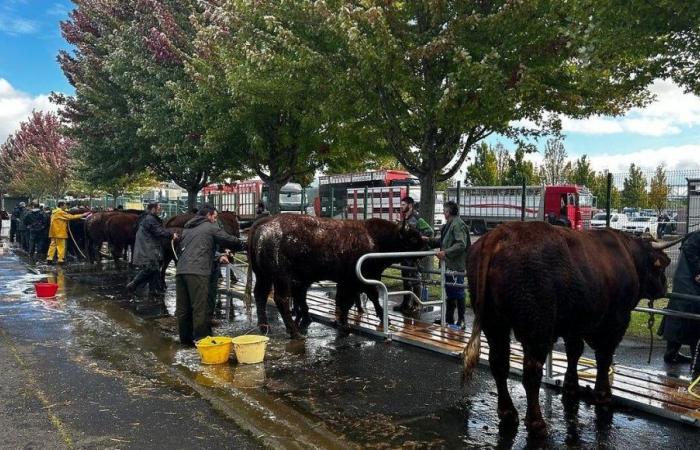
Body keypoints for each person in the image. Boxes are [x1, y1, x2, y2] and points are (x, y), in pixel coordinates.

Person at [175, 205, 243, 345]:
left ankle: (185, 340)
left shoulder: (187, 229)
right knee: (200, 307)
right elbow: (228, 239)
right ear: (209, 216)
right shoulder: (209, 227)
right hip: (198, 272)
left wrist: (217, 256)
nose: (215, 220)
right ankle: (202, 341)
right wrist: (245, 245)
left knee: (184, 308)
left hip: (181, 271)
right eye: (215, 217)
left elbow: (197, 249)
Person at [658, 229, 700, 376]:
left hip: (684, 280)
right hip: (689, 281)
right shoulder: (697, 237)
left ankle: (672, 354)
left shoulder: (695, 235)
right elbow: (689, 249)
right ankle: (696, 363)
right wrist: (698, 272)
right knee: (693, 316)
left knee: (679, 314)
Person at [426, 200, 471, 327]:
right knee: (450, 291)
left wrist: (445, 252)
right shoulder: (449, 224)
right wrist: (428, 240)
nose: (443, 213)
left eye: (444, 210)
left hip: (455, 265)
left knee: (458, 291)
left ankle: (461, 320)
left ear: (449, 211)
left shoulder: (457, 225)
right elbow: (442, 241)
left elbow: (461, 244)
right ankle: (448, 318)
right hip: (449, 264)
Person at [393, 196, 434, 314]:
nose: (401, 207)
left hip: (414, 255)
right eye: (401, 205)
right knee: (406, 279)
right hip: (405, 254)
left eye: (403, 205)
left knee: (415, 279)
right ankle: (406, 304)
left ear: (410, 205)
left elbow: (429, 231)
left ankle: (417, 304)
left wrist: (420, 238)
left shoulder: (417, 218)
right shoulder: (405, 218)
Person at [127, 202, 177, 296]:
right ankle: (134, 284)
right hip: (148, 247)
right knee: (152, 268)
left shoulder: (146, 217)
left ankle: (154, 290)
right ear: (153, 209)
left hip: (146, 246)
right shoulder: (150, 219)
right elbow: (158, 231)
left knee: (155, 269)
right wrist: (171, 235)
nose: (160, 210)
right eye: (159, 208)